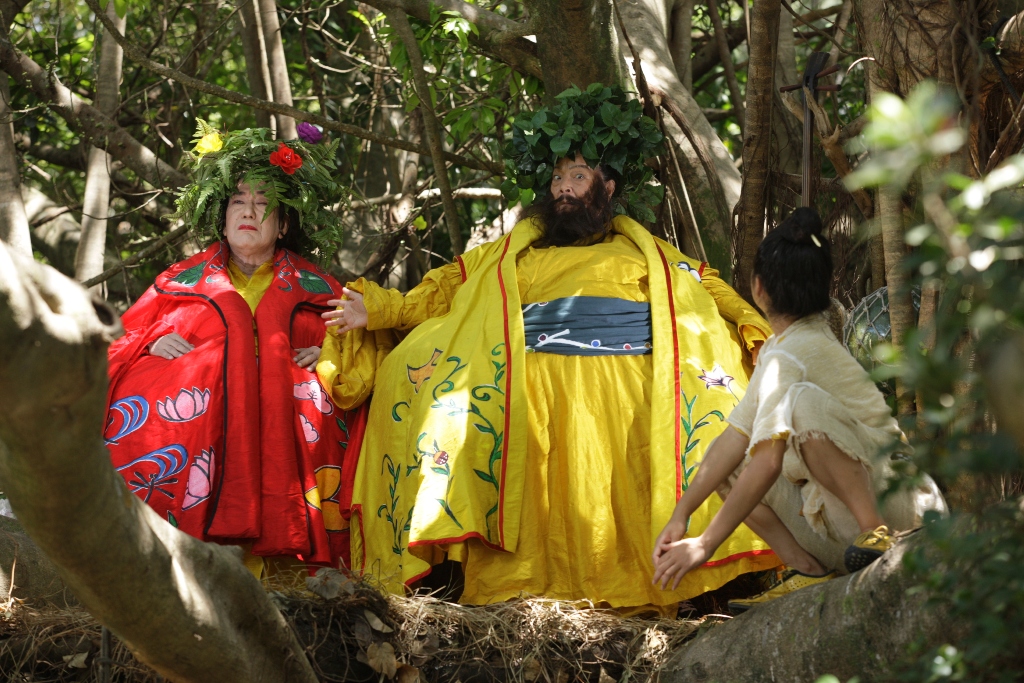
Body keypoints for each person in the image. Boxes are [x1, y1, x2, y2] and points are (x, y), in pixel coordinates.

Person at [317, 85, 780, 612]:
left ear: (608, 186)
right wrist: (379, 311)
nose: (563, 188)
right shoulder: (513, 253)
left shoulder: (647, 251)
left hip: (629, 380)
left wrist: (758, 332)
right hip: (526, 381)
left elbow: (710, 289)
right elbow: (445, 287)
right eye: (558, 178)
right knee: (415, 375)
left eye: (577, 176)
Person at [651, 208, 947, 613]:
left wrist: (704, 544)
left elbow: (768, 462)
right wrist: (681, 515)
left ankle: (874, 533)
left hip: (904, 511)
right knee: (726, 464)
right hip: (839, 520)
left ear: (758, 288)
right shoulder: (783, 347)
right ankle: (808, 569)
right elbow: (733, 439)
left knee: (802, 403)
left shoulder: (793, 353)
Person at [104, 123, 365, 576]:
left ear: (283, 226)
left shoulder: (321, 291)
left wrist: (330, 353)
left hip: (291, 429)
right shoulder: (178, 283)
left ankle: (295, 574)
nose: (248, 211)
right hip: (199, 427)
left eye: (263, 204)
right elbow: (116, 339)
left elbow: (358, 347)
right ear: (222, 220)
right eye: (238, 202)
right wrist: (151, 343)